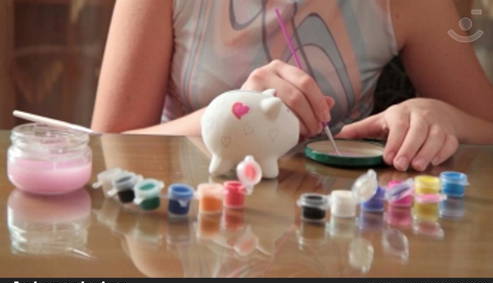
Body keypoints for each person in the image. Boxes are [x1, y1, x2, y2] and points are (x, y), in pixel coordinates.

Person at [91, 0, 493, 172]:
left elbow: (487, 128)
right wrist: (230, 115)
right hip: (193, 216)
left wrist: (445, 118)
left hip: (341, 235)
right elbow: (101, 149)